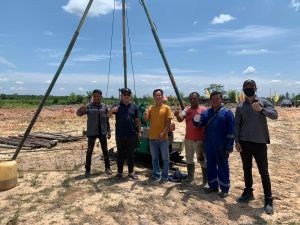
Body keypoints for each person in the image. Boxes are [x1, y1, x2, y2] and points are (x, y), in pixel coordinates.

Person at [235, 79, 278, 214]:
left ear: (255, 88)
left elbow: (275, 115)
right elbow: (236, 125)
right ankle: (248, 191)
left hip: (259, 142)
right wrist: (237, 141)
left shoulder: (263, 101)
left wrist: (262, 109)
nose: (248, 89)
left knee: (263, 171)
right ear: (243, 89)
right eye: (246, 87)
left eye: (251, 87)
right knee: (246, 168)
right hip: (244, 142)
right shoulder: (240, 106)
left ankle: (268, 199)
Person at [193, 91, 235, 198]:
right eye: (213, 99)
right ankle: (213, 186)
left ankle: (225, 188)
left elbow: (232, 130)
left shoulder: (227, 112)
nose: (215, 101)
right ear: (210, 100)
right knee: (210, 165)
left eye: (217, 99)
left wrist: (229, 146)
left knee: (223, 166)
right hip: (209, 143)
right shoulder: (207, 112)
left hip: (222, 145)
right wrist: (196, 119)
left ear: (221, 100)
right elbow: (199, 124)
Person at [76, 89, 111, 178]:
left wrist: (109, 131)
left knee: (105, 151)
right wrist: (81, 109)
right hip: (92, 132)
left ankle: (107, 168)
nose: (96, 98)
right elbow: (78, 114)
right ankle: (87, 170)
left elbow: (107, 120)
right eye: (94, 96)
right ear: (93, 97)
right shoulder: (88, 106)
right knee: (89, 151)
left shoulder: (104, 107)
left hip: (102, 132)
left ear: (101, 97)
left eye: (98, 96)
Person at [174, 92, 207, 184]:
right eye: (191, 99)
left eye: (195, 98)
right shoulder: (186, 110)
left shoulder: (204, 110)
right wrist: (177, 115)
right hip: (188, 139)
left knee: (202, 159)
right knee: (189, 158)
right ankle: (190, 177)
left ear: (198, 99)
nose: (193, 100)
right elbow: (180, 119)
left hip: (200, 140)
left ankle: (205, 180)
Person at [108, 88, 141, 180]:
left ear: (130, 96)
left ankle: (131, 172)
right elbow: (108, 115)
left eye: (128, 95)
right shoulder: (117, 106)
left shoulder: (134, 107)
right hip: (120, 134)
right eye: (124, 94)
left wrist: (139, 132)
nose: (126, 96)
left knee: (131, 154)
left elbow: (137, 120)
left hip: (131, 134)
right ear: (121, 96)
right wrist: (112, 110)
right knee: (120, 154)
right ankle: (119, 173)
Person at [144, 89, 173, 183]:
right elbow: (146, 119)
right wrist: (145, 112)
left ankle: (164, 177)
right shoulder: (151, 108)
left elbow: (168, 123)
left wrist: (163, 132)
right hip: (152, 137)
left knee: (165, 158)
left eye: (159, 95)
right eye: (156, 95)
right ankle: (156, 175)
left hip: (163, 138)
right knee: (154, 158)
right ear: (153, 97)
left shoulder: (167, 108)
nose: (158, 97)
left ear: (162, 96)